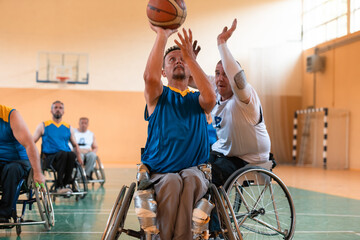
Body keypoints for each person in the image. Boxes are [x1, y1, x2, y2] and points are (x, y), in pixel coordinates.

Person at [141, 23, 216, 240]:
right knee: (173, 182)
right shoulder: (158, 95)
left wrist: (191, 59)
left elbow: (211, 98)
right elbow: (149, 78)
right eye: (172, 60)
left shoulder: (197, 99)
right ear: (164, 71)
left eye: (181, 59)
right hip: (161, 172)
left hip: (194, 169)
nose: (178, 62)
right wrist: (162, 35)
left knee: (191, 179)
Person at [209, 18, 271, 187]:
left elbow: (237, 79)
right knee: (192, 163)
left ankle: (212, 214)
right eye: (217, 73)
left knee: (207, 177)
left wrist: (221, 44)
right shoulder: (216, 88)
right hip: (224, 153)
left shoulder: (245, 97)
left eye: (225, 74)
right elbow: (193, 79)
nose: (220, 78)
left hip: (248, 159)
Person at [0, 104, 45, 223]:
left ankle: (4, 213)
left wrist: (38, 173)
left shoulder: (10, 115)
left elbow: (30, 144)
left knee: (11, 169)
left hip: (18, 161)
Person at [33, 100, 83, 194]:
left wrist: (79, 156)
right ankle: (59, 186)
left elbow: (75, 145)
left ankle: (66, 184)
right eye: (55, 107)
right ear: (51, 111)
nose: (58, 110)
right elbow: (32, 142)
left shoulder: (68, 127)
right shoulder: (43, 125)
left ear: (63, 112)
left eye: (60, 108)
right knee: (64, 154)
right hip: (50, 158)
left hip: (66, 157)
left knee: (71, 155)